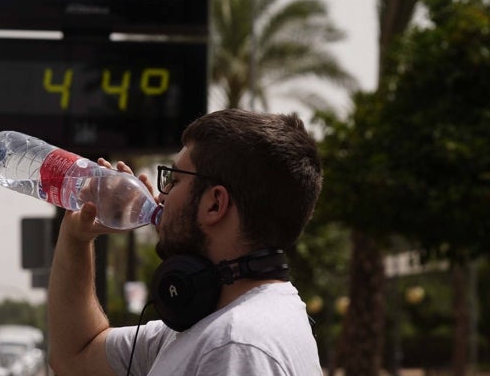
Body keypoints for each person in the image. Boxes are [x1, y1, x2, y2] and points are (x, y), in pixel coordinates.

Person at [47, 108, 323, 376]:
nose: (161, 195)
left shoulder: (235, 344)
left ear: (214, 204)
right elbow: (75, 356)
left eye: (174, 179)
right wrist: (77, 237)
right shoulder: (219, 324)